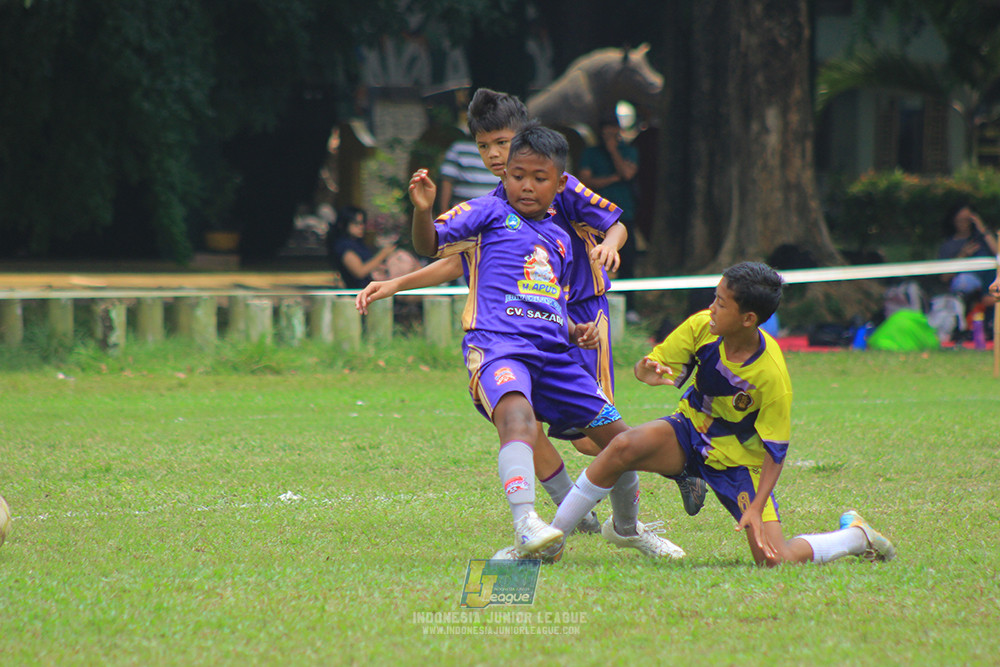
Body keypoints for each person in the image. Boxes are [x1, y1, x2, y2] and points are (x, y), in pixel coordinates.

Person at [408, 125, 684, 560]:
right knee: (517, 419)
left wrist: (573, 331)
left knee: (623, 443)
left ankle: (627, 529)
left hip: (555, 356)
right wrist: (423, 211)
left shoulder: (561, 238)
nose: (526, 186)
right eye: (518, 175)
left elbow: (547, 300)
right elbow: (429, 244)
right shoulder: (485, 213)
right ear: (505, 175)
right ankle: (525, 525)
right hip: (498, 347)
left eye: (539, 178)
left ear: (559, 184)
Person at [527, 262, 897, 566]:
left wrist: (755, 506)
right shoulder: (703, 326)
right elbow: (650, 367)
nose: (712, 308)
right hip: (689, 431)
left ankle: (855, 536)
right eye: (715, 298)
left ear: (748, 318)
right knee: (623, 446)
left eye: (721, 303)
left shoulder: (770, 375)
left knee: (774, 559)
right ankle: (554, 540)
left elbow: (775, 451)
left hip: (739, 464)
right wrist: (646, 371)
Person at [578, 116, 640, 317]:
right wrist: (614, 178)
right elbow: (586, 181)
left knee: (627, 261)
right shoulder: (591, 153)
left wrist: (613, 150)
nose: (609, 135)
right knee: (593, 258)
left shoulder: (628, 151)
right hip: (595, 217)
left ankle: (630, 308)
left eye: (613, 131)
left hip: (624, 213)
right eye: (606, 132)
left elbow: (628, 173)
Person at [327, 206, 397, 289]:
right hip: (359, 289)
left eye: (363, 223)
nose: (361, 227)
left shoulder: (358, 244)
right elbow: (360, 272)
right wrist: (382, 254)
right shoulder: (343, 246)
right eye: (356, 223)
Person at [938, 203, 998, 298]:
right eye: (961, 220)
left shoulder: (983, 239)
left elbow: (998, 254)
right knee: (964, 280)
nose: (964, 223)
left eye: (967, 220)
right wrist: (962, 255)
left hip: (990, 285)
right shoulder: (948, 245)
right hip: (966, 292)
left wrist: (982, 228)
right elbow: (944, 277)